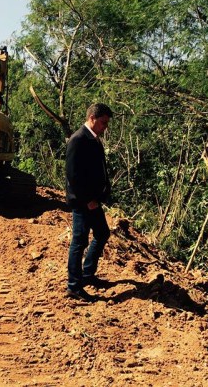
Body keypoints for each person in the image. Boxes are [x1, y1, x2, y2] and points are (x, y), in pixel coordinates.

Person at [65, 103, 113, 302]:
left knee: (102, 233)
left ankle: (87, 275)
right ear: (92, 118)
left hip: (93, 200)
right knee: (79, 241)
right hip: (83, 202)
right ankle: (74, 286)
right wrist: (87, 200)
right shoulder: (78, 139)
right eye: (103, 122)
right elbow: (73, 176)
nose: (105, 127)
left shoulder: (93, 139)